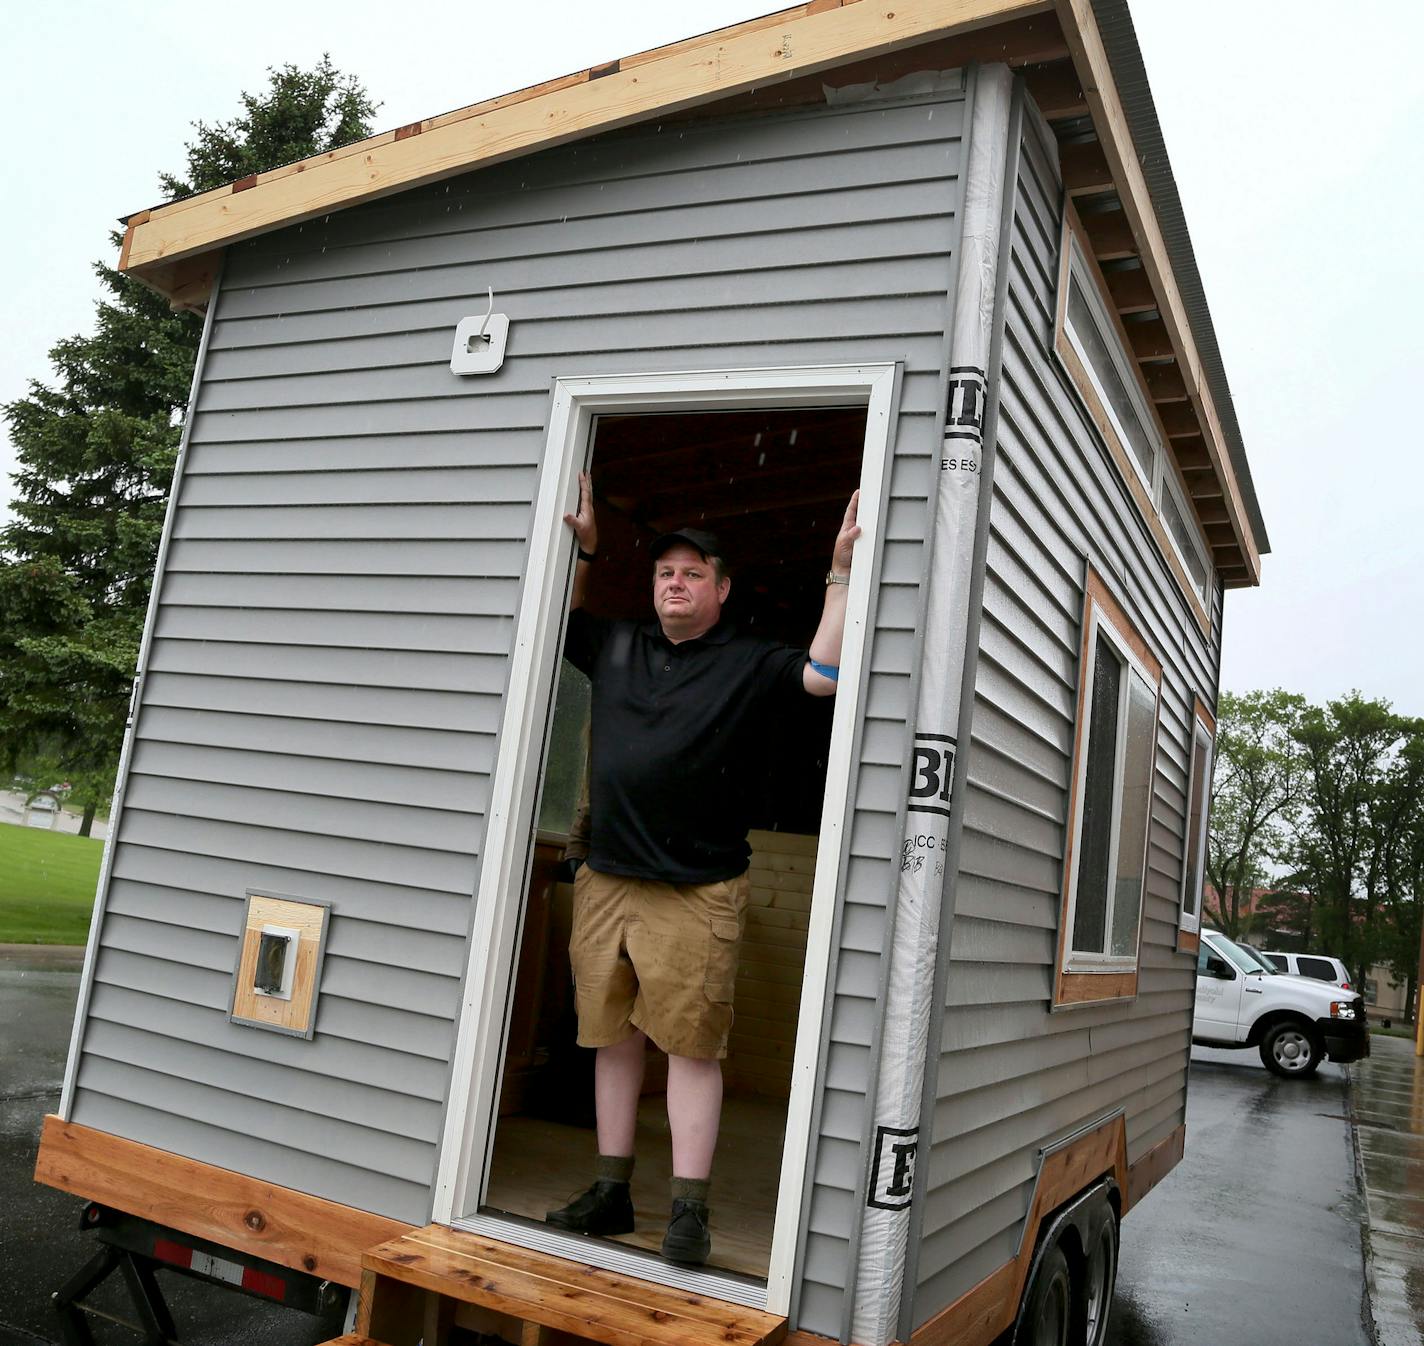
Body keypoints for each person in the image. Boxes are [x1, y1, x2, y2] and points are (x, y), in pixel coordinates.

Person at [546, 471, 861, 1266]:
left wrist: (842, 572)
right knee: (611, 1039)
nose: (674, 584)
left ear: (720, 589)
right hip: (608, 879)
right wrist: (584, 551)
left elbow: (823, 676)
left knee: (691, 1048)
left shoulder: (748, 662)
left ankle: (689, 1210)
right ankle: (612, 1192)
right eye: (663, 572)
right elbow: (549, 621)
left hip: (699, 889)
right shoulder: (615, 644)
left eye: (691, 573)